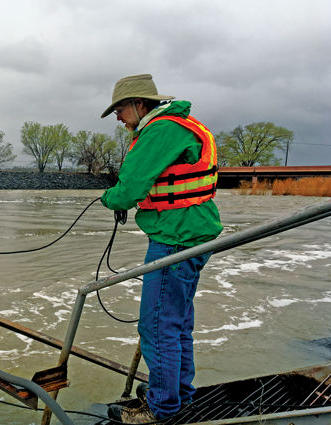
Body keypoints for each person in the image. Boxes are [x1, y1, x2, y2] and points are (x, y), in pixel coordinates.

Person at [100, 74, 223, 424]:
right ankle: (178, 393)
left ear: (140, 104)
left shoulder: (159, 129)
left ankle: (161, 408)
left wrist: (110, 198)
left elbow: (128, 189)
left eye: (120, 110)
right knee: (177, 323)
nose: (118, 118)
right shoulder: (180, 123)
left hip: (175, 238)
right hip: (193, 232)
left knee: (156, 326)